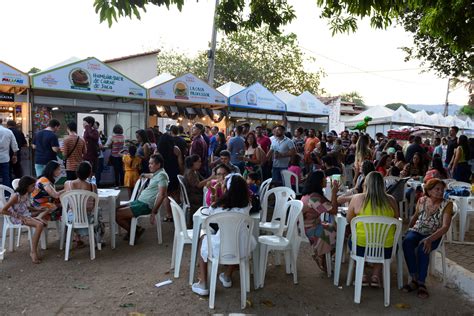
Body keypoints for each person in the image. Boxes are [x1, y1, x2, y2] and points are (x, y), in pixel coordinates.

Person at [192, 175, 253, 296]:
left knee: (203, 239)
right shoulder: (247, 206)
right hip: (242, 248)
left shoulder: (217, 208)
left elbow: (210, 211)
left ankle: (203, 283)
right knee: (237, 241)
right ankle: (227, 276)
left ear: (227, 190)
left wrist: (216, 194)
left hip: (221, 248)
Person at [346, 171, 399, 287]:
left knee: (352, 239)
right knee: (386, 241)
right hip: (386, 249)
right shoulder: (391, 200)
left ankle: (363, 274)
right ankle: (376, 274)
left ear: (366, 184)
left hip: (361, 247)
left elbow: (349, 220)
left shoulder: (357, 199)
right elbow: (396, 220)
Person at [402, 179, 453, 299]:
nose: (441, 192)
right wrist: (408, 230)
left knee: (422, 248)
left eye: (442, 189)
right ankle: (414, 278)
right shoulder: (422, 200)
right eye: (437, 189)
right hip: (417, 230)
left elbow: (445, 227)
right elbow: (415, 217)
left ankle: (421, 283)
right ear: (429, 191)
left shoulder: (447, 204)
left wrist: (430, 239)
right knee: (407, 242)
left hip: (434, 234)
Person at [116, 154, 169, 241]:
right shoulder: (158, 173)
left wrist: (153, 212)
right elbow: (152, 176)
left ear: (158, 165)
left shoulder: (162, 175)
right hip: (141, 202)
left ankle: (134, 231)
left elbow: (162, 195)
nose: (149, 165)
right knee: (116, 209)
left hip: (145, 205)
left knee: (117, 215)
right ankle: (136, 229)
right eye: (149, 163)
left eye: (151, 164)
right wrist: (144, 174)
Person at [1, 176, 45, 263]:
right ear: (26, 186)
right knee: (39, 225)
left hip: (25, 215)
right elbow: (3, 210)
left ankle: (34, 248)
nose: (34, 188)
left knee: (43, 220)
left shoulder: (26, 194)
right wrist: (19, 216)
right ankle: (33, 252)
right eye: (32, 186)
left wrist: (37, 209)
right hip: (15, 218)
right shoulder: (15, 196)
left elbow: (26, 206)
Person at [302, 170, 339, 272]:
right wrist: (334, 192)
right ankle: (321, 256)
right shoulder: (314, 199)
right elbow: (333, 210)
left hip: (308, 226)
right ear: (319, 181)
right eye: (324, 179)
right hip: (310, 229)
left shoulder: (309, 195)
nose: (325, 180)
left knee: (334, 228)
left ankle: (322, 256)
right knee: (337, 234)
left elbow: (330, 206)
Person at [63, 161, 98, 248]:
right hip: (87, 219)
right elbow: (95, 204)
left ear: (77, 171)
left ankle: (77, 238)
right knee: (98, 213)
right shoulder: (93, 186)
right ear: (89, 173)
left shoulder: (67, 184)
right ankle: (97, 240)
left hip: (71, 219)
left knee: (73, 209)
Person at [157, 131, 183, 221]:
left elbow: (154, 164)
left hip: (164, 174)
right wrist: (181, 172)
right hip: (174, 172)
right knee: (176, 194)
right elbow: (180, 163)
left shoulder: (158, 150)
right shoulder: (176, 149)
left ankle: (169, 215)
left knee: (166, 195)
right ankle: (178, 214)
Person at [183, 155, 215, 222]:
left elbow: (203, 180)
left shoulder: (195, 171)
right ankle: (207, 219)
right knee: (210, 198)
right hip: (193, 196)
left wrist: (210, 179)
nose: (200, 163)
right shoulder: (190, 172)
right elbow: (199, 185)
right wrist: (211, 177)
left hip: (196, 193)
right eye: (199, 161)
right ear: (193, 163)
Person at [0, 119, 18, 188]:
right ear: (1, 122)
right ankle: (6, 194)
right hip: (5, 158)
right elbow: (14, 145)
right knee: (6, 177)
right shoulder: (8, 131)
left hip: (5, 158)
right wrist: (14, 155)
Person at [94, 122, 105, 186]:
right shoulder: (96, 137)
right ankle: (97, 183)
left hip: (95, 156)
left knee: (96, 171)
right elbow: (101, 146)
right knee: (98, 170)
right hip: (99, 156)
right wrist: (103, 148)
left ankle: (96, 184)